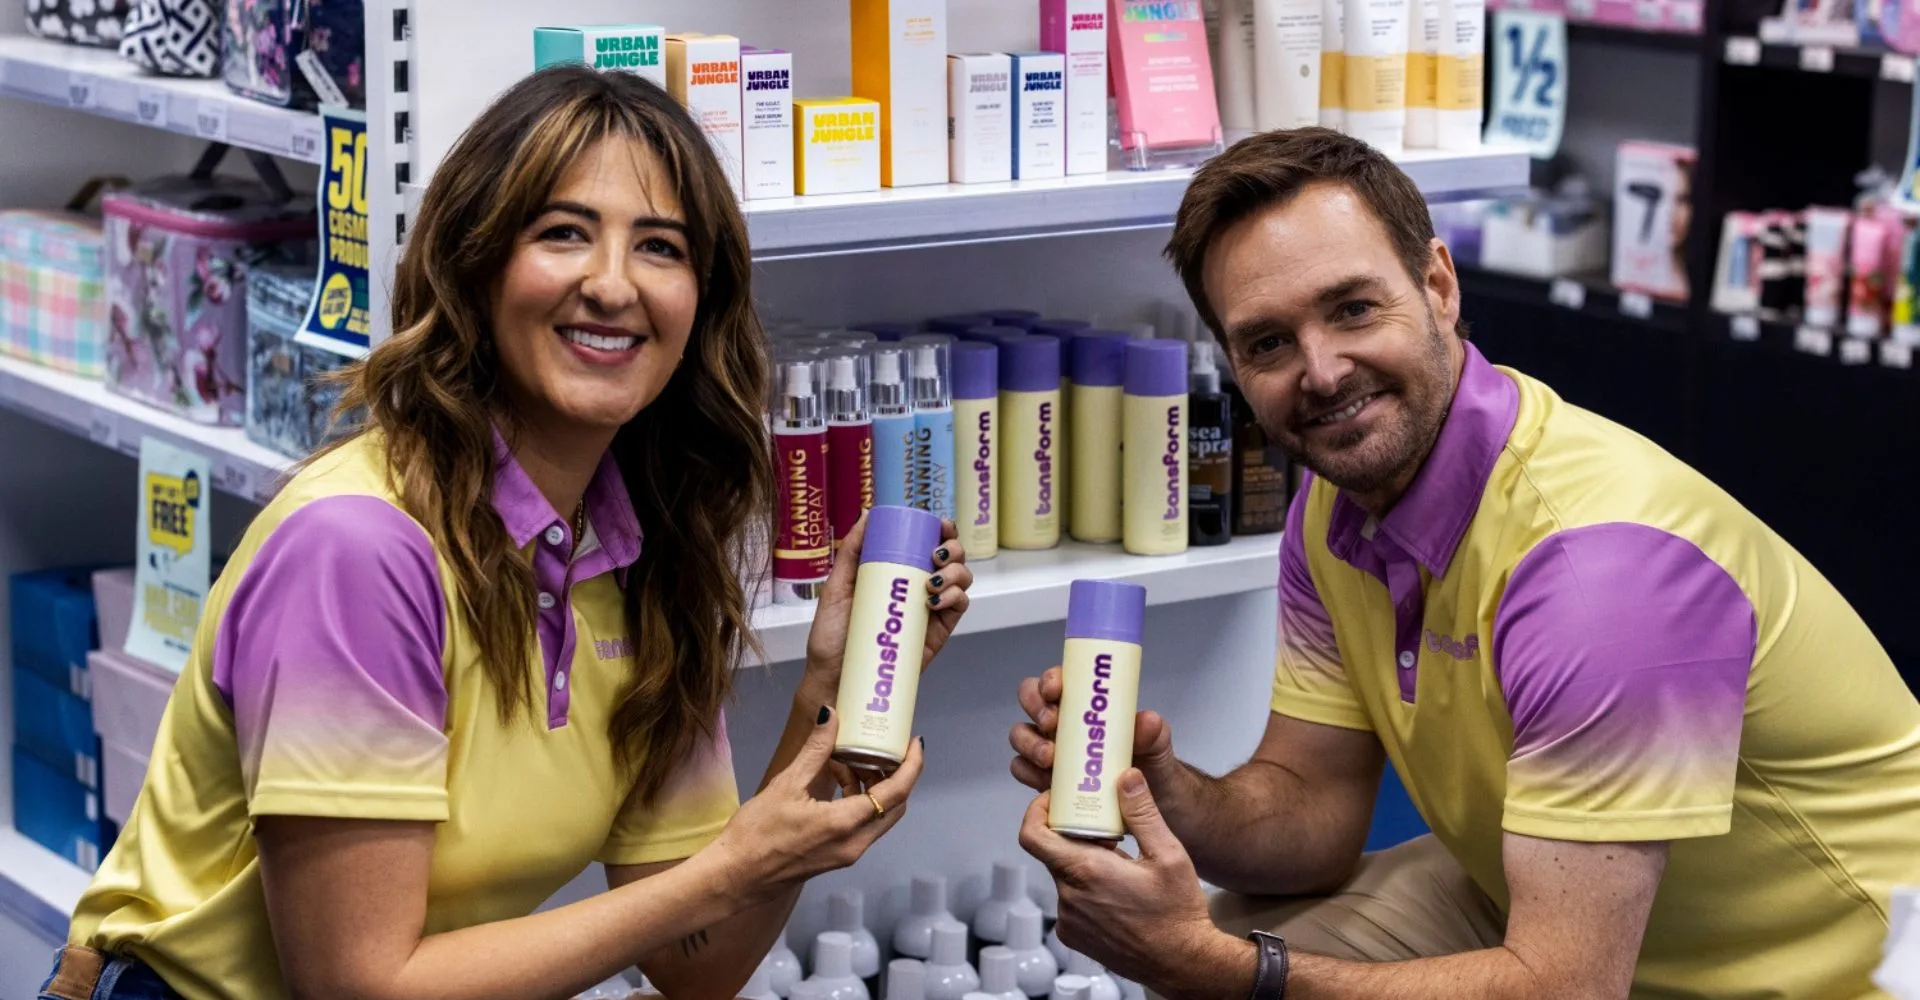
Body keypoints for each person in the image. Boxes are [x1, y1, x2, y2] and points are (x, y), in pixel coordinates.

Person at [45, 66, 974, 1000]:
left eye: (660, 247)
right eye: (563, 233)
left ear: (700, 305)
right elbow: (358, 986)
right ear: (476, 266)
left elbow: (701, 961)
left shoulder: (644, 555)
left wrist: (833, 684)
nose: (611, 285)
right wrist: (730, 865)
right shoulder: (361, 549)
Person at [1010, 127, 1920, 999]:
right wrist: (1160, 790)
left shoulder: (1595, 575)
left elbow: (1567, 989)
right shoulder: (1335, 509)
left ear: (1438, 284)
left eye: (1353, 308)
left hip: (1841, 975)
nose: (1321, 372)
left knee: (1232, 967)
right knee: (1246, 929)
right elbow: (1313, 815)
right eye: (1269, 343)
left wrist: (1222, 972)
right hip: (1563, 916)